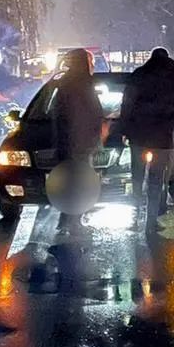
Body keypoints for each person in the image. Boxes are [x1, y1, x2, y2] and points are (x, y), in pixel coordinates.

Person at [120, 48, 174, 219]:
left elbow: (127, 105)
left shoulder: (138, 75)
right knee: (157, 178)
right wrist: (171, 119)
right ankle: (152, 215)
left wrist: (125, 129)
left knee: (137, 172)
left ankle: (137, 206)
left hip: (138, 134)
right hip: (162, 136)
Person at [50, 49, 105, 228]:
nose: (92, 66)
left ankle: (65, 218)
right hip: (80, 141)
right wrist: (96, 135)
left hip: (65, 140)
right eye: (90, 62)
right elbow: (93, 112)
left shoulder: (64, 83)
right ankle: (73, 220)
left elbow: (56, 112)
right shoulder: (84, 83)